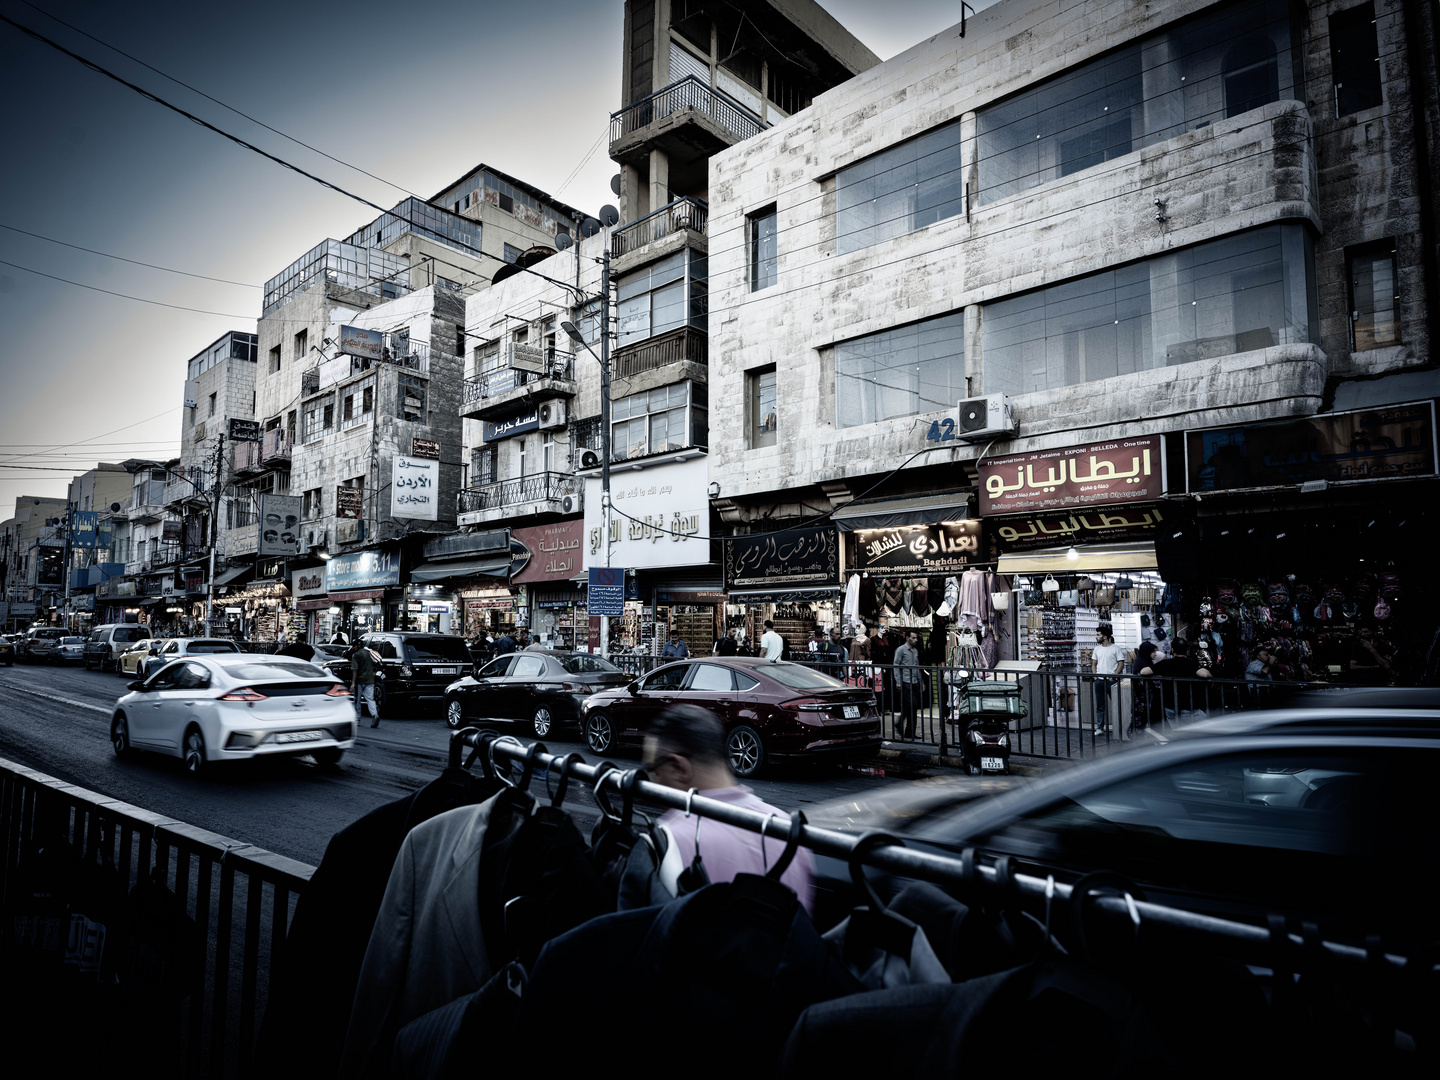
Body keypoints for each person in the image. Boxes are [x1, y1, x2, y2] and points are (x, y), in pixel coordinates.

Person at [643, 705, 815, 913]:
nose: (653, 781)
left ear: (678, 768)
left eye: (653, 771)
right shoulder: (787, 828)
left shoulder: (666, 842)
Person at [1142, 637, 1211, 725]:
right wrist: (1210, 675)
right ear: (1187, 650)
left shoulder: (1165, 664)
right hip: (1188, 707)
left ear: (1172, 650)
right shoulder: (1191, 663)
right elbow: (1204, 674)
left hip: (1170, 707)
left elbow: (1144, 671)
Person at [1090, 623, 1126, 736]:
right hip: (1099, 681)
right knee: (1100, 706)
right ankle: (1100, 728)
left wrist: (1113, 676)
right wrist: (1095, 676)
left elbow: (1121, 664)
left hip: (1111, 681)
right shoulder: (1097, 649)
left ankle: (1120, 728)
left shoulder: (1116, 649)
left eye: (1098, 635)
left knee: (1116, 705)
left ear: (1105, 637)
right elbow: (1093, 663)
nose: (1096, 636)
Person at [893, 631, 923, 739]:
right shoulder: (901, 650)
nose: (916, 640)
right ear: (907, 638)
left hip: (914, 681)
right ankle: (899, 722)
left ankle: (910, 732)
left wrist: (921, 682)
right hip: (905, 681)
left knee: (913, 708)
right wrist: (898, 681)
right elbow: (896, 665)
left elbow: (917, 666)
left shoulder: (915, 651)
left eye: (916, 638)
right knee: (911, 704)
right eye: (913, 638)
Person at [349, 640, 381, 728]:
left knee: (357, 700)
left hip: (360, 680)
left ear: (358, 646)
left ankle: (357, 719)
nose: (353, 647)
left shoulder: (356, 655)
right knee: (370, 699)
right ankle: (375, 715)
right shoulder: (369, 653)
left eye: (354, 646)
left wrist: (353, 683)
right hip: (370, 679)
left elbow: (354, 670)